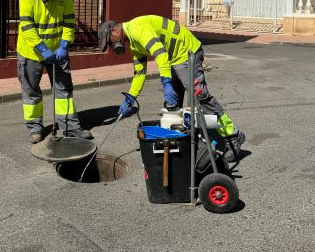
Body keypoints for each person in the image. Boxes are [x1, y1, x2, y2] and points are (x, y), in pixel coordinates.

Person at [98, 15, 245, 161]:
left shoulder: (137, 29)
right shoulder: (134, 44)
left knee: (200, 97)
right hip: (173, 58)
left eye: (110, 42)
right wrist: (130, 98)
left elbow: (160, 54)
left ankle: (233, 135)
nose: (112, 47)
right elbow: (140, 74)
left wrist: (167, 83)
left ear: (115, 31)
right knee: (172, 105)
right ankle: (182, 142)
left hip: (186, 52)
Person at [17, 0, 93, 144]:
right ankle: (35, 128)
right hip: (31, 51)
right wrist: (43, 49)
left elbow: (68, 22)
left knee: (64, 89)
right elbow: (27, 26)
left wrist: (64, 45)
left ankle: (70, 127)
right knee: (31, 91)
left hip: (58, 52)